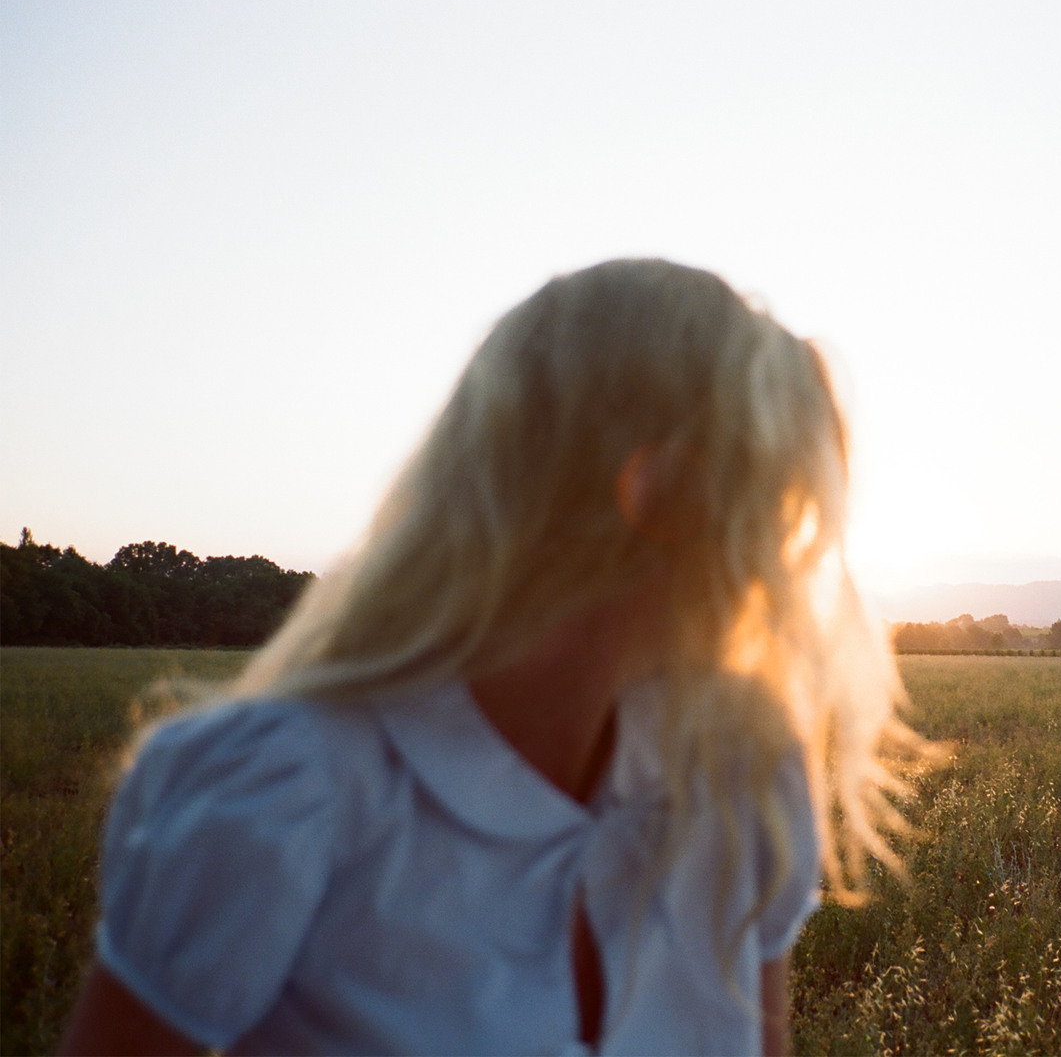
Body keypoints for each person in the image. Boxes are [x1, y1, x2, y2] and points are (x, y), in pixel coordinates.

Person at [60, 259, 934, 1056]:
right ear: (658, 491)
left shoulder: (741, 769)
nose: (786, 551)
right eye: (772, 494)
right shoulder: (278, 790)